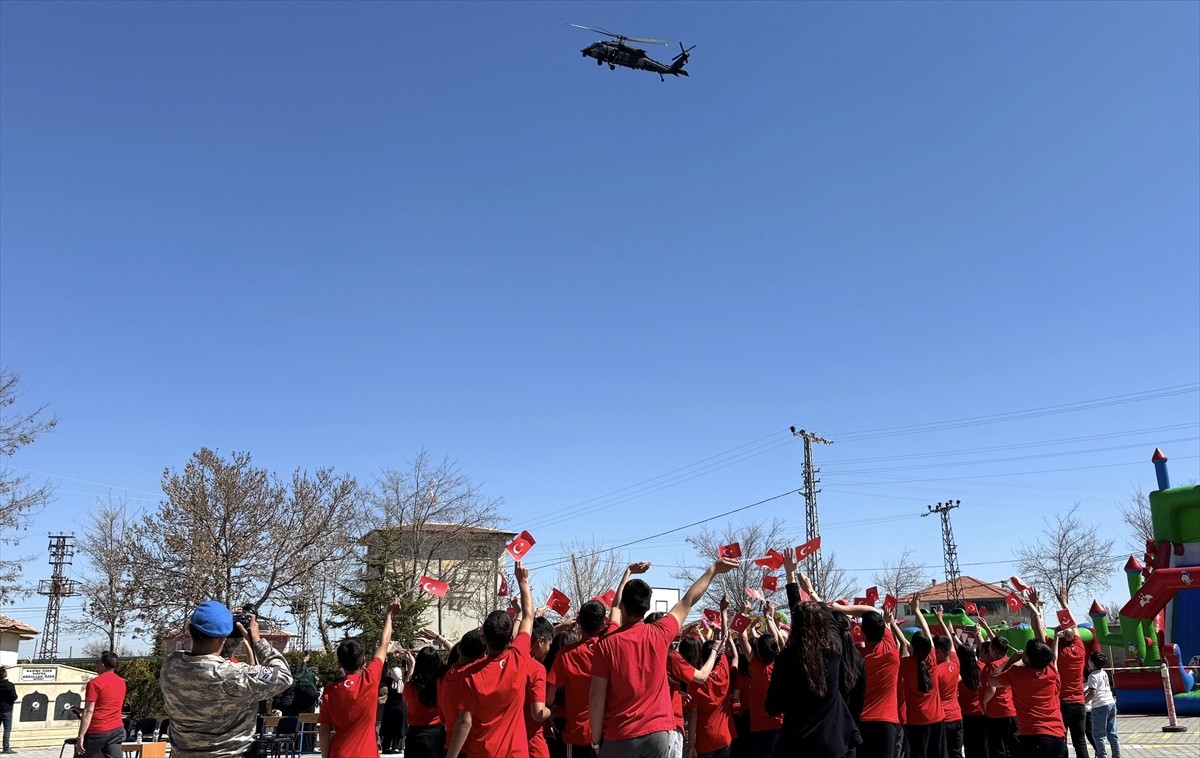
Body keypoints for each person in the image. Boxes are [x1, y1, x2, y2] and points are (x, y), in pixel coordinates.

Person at [589, 555, 738, 758]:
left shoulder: (606, 644)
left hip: (620, 735)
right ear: (647, 606)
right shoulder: (660, 633)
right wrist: (713, 570)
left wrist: (596, 741)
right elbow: (688, 600)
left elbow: (596, 697)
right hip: (658, 735)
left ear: (623, 605)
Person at [160, 601, 293, 757]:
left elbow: (209, 660)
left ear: (190, 629)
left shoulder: (171, 665)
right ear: (223, 637)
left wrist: (230, 637)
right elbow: (283, 676)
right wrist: (257, 640)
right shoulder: (233, 675)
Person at [764, 549, 860, 758]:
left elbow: (772, 707)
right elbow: (827, 617)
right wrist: (809, 589)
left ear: (795, 626)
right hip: (836, 744)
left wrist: (790, 576)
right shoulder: (834, 649)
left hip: (798, 746)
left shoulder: (786, 658)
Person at [446, 560, 536, 758]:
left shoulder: (471, 674)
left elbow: (464, 722)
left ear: (484, 639)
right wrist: (523, 582)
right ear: (510, 638)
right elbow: (529, 616)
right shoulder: (518, 657)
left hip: (483, 752)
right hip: (516, 754)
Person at [320, 598, 402, 758]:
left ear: (339, 663)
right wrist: (389, 615)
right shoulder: (370, 679)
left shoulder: (329, 692)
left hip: (339, 753)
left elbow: (324, 731)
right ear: (363, 661)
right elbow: (384, 643)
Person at [1029, 590, 1088, 758]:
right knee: (1080, 742)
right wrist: (1064, 603)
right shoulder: (1080, 647)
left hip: (1061, 702)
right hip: (1079, 702)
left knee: (1061, 740)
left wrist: (1035, 606)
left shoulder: (1053, 651)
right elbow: (1073, 625)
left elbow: (1038, 630)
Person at [993, 638, 1068, 758]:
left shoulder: (1016, 673)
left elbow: (993, 680)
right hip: (1057, 736)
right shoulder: (1052, 671)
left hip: (1033, 736)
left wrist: (1011, 660)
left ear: (1027, 658)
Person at [895, 595, 944, 758]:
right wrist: (916, 609)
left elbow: (901, 644)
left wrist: (890, 624)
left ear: (913, 647)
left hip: (915, 721)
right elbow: (927, 631)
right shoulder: (932, 659)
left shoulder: (905, 664)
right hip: (937, 719)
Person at [74, 651, 127, 758]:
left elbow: (89, 711)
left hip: (97, 730)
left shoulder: (94, 683)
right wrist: (80, 710)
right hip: (117, 729)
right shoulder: (121, 682)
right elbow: (108, 706)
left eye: (98, 662)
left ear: (102, 665)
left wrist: (81, 736)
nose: (97, 665)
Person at [978, 622, 1018, 758]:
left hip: (997, 711)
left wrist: (984, 703)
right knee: (1012, 748)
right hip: (1011, 710)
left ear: (992, 650)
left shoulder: (992, 666)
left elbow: (991, 689)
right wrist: (986, 628)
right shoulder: (1011, 662)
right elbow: (997, 644)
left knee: (998, 749)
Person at [932, 608, 963, 758]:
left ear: (938, 652)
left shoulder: (936, 671)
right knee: (956, 754)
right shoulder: (955, 663)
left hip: (943, 719)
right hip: (957, 717)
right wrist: (940, 620)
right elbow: (949, 642)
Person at [956, 643, 988, 758]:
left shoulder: (959, 672)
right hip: (982, 712)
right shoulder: (982, 667)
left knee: (969, 747)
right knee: (983, 747)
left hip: (965, 713)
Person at [1083, 654, 1119, 758]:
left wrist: (1082, 702)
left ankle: (1101, 755)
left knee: (1099, 734)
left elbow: (1092, 693)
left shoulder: (1092, 676)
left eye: (1089, 659)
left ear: (1092, 663)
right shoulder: (1103, 673)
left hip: (1100, 706)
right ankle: (1116, 755)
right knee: (1112, 732)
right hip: (1111, 703)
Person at [381, 652, 409, 754]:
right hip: (401, 707)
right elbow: (407, 671)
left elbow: (383, 673)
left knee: (388, 727)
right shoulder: (404, 681)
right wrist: (405, 659)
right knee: (398, 727)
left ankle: (386, 746)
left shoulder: (389, 681)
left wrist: (385, 661)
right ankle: (396, 747)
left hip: (390, 707)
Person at [0, 667, 17, 755]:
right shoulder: (10, 685)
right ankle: (6, 748)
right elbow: (14, 697)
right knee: (7, 729)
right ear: (5, 675)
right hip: (7, 709)